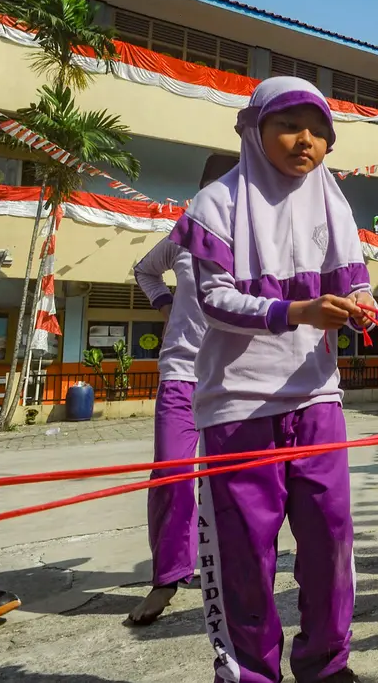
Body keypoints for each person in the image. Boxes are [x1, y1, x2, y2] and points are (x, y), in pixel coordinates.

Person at [168, 77, 372, 683]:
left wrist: (360, 303)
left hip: (316, 397)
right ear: (253, 129)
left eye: (317, 129)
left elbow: (353, 279)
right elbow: (213, 300)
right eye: (288, 124)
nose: (304, 139)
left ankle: (326, 665)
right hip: (237, 406)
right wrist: (298, 312)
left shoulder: (333, 202)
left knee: (330, 542)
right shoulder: (215, 204)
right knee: (244, 556)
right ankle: (249, 673)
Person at [127, 153, 238, 626]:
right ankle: (168, 575)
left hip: (234, 380)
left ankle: (235, 571)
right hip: (182, 371)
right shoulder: (181, 236)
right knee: (172, 472)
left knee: (233, 483)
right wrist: (166, 303)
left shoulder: (260, 240)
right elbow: (143, 270)